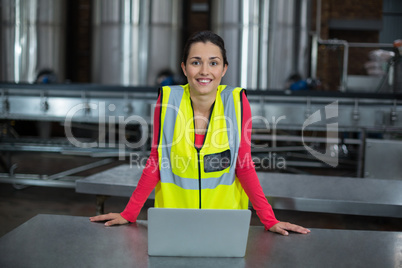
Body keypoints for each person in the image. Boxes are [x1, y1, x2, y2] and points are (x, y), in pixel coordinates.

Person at [90, 31, 310, 236]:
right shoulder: (168, 101)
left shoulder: (236, 102)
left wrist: (269, 220)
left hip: (226, 224)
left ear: (224, 69)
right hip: (174, 223)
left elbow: (243, 165)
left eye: (213, 63)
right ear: (185, 68)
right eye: (196, 62)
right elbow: (157, 161)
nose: (205, 71)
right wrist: (129, 214)